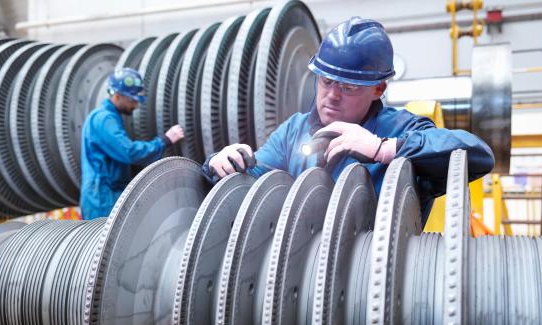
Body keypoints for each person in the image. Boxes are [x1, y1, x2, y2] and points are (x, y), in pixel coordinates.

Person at [203, 17, 494, 222]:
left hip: (375, 283)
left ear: (378, 89)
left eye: (349, 87)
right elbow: (253, 179)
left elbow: (479, 156)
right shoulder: (293, 132)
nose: (332, 95)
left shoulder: (399, 129)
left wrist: (383, 150)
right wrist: (223, 164)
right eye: (326, 81)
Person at [80, 67, 185, 219]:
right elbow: (129, 152)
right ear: (116, 96)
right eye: (132, 100)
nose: (135, 105)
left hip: (106, 194)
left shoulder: (108, 117)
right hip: (102, 199)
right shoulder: (104, 120)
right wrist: (164, 141)